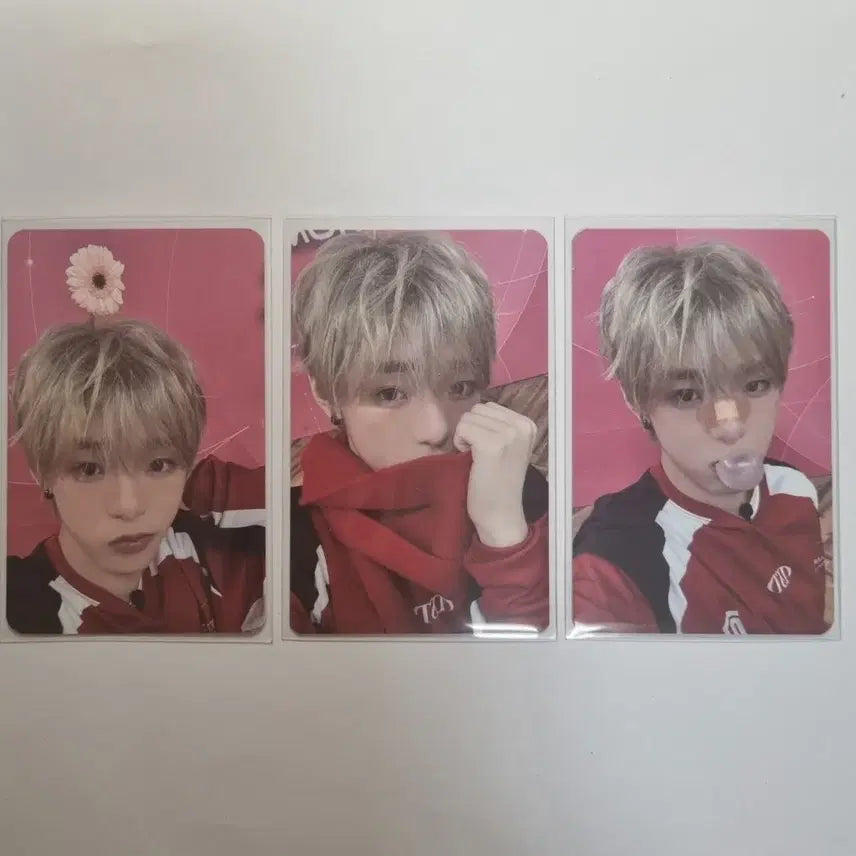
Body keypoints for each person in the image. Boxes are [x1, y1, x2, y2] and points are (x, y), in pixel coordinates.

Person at [290, 231, 549, 634]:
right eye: (389, 393)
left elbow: (544, 667)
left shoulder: (519, 488)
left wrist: (505, 536)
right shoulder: (290, 538)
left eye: (460, 387)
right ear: (326, 393)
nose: (437, 428)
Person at [573, 242, 830, 635]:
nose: (730, 426)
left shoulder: (795, 489)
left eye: (755, 384)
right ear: (637, 401)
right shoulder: (613, 563)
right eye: (687, 394)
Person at [7, 319, 265, 634]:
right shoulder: (19, 608)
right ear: (41, 472)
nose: (128, 507)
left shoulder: (216, 552)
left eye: (158, 465)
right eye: (90, 469)